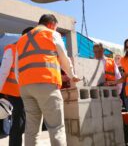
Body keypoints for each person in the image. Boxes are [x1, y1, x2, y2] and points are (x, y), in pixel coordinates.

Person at [15, 14, 80, 146]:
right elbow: (63, 58)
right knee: (56, 128)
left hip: (25, 87)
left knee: (31, 130)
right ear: (51, 24)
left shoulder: (21, 39)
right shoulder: (51, 34)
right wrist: (72, 75)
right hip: (46, 84)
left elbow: (17, 67)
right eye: (55, 28)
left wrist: (22, 83)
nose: (55, 31)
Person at [0, 27, 33, 146]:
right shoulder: (12, 49)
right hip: (11, 93)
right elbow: (3, 71)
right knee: (18, 123)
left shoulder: (29, 52)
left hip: (22, 93)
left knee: (21, 123)